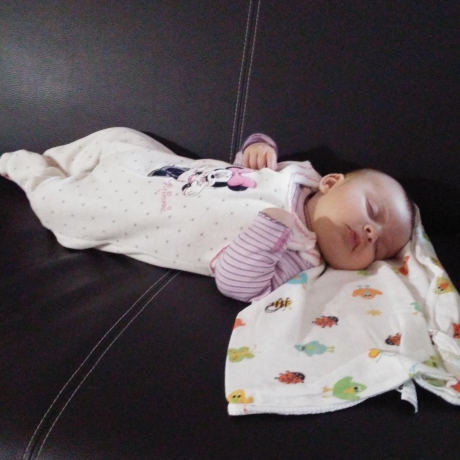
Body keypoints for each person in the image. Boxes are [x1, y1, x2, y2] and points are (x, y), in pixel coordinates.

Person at [0, 127, 414, 302]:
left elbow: (237, 283)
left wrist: (268, 232)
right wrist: (258, 146)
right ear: (331, 182)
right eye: (372, 212)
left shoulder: (301, 260)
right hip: (167, 171)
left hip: (139, 212)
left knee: (66, 211)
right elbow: (238, 172)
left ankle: (32, 173)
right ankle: (61, 157)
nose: (369, 232)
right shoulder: (298, 175)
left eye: (378, 247)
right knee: (121, 139)